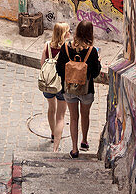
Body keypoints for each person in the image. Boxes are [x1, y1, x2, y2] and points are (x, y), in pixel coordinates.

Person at [55, 19, 101, 158]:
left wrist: (70, 77)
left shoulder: (66, 48)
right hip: (86, 90)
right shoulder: (92, 51)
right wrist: (98, 63)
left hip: (69, 89)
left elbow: (59, 68)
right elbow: (95, 73)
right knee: (85, 115)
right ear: (90, 34)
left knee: (73, 118)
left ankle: (74, 149)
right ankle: (84, 141)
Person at [41, 22, 70, 151]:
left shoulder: (47, 46)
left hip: (48, 84)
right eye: (68, 31)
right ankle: (56, 147)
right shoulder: (68, 48)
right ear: (64, 33)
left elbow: (42, 64)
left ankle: (53, 134)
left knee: (51, 109)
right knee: (61, 116)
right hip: (61, 85)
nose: (70, 33)